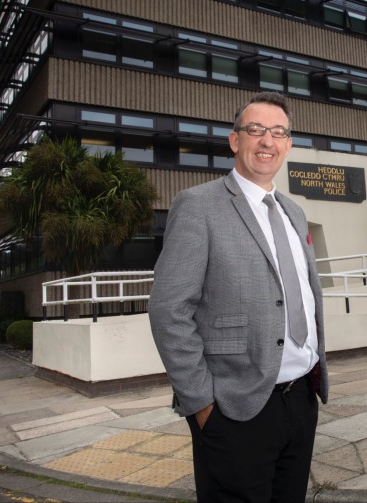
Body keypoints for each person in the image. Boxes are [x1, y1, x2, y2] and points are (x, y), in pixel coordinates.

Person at [148, 91, 328, 503]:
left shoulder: (294, 212)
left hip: (301, 398)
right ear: (235, 140)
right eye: (256, 129)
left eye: (278, 132)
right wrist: (201, 404)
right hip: (234, 408)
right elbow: (169, 310)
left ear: (288, 145)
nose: (267, 141)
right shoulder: (198, 206)